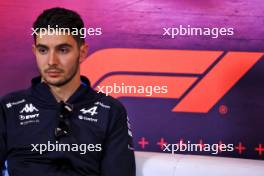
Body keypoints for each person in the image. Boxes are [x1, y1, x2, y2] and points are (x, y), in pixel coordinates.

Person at [0, 7, 135, 176]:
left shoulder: (110, 110)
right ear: (35, 52)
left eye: (63, 50)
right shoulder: (9, 108)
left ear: (82, 52)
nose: (51, 61)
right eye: (43, 50)